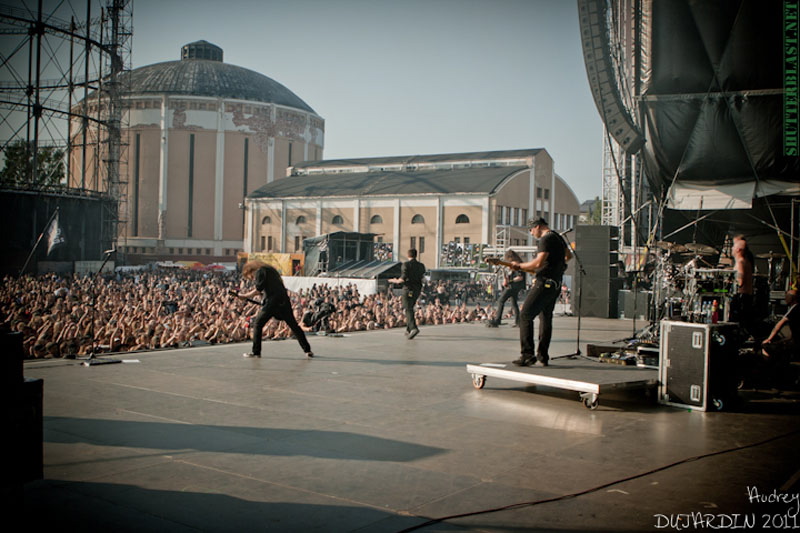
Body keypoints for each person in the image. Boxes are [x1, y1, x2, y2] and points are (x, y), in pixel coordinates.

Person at [509, 218, 572, 366]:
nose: (531, 233)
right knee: (545, 318)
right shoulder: (557, 237)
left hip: (544, 283)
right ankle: (543, 355)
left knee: (525, 315)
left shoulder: (545, 239)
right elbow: (568, 256)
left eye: (531, 230)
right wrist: (556, 265)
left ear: (538, 227)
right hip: (556, 283)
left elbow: (538, 263)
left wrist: (520, 265)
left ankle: (527, 355)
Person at [238, 260, 313, 358]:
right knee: (294, 325)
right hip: (283, 300)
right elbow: (270, 288)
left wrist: (245, 295)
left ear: (250, 270)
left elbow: (258, 289)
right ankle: (307, 350)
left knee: (258, 323)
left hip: (273, 301)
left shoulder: (261, 271)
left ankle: (256, 351)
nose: (253, 279)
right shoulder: (270, 270)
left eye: (251, 277)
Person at [389, 248, 426, 339]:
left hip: (408, 289)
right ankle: (408, 329)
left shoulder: (406, 265)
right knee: (411, 307)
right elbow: (423, 278)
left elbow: (402, 279)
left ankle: (413, 328)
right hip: (417, 289)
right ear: (416, 255)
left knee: (408, 308)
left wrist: (394, 280)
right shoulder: (421, 265)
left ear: (408, 255)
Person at [486, 250, 526, 327]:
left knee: (501, 300)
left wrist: (509, 281)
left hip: (512, 286)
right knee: (514, 303)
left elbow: (520, 277)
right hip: (515, 286)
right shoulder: (516, 264)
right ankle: (518, 322)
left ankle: (498, 320)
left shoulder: (517, 264)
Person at [762, 289, 798, 359]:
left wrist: (769, 339)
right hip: (795, 342)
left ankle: (768, 367)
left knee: (765, 347)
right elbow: (793, 334)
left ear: (791, 298)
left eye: (786, 296)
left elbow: (780, 324)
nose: (785, 298)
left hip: (796, 344)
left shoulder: (794, 308)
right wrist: (781, 341)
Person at [731, 234, 755, 335]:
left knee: (739, 322)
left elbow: (740, 282)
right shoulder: (746, 261)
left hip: (742, 297)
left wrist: (730, 282)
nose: (732, 248)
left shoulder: (740, 262)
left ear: (738, 250)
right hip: (747, 296)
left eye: (734, 246)